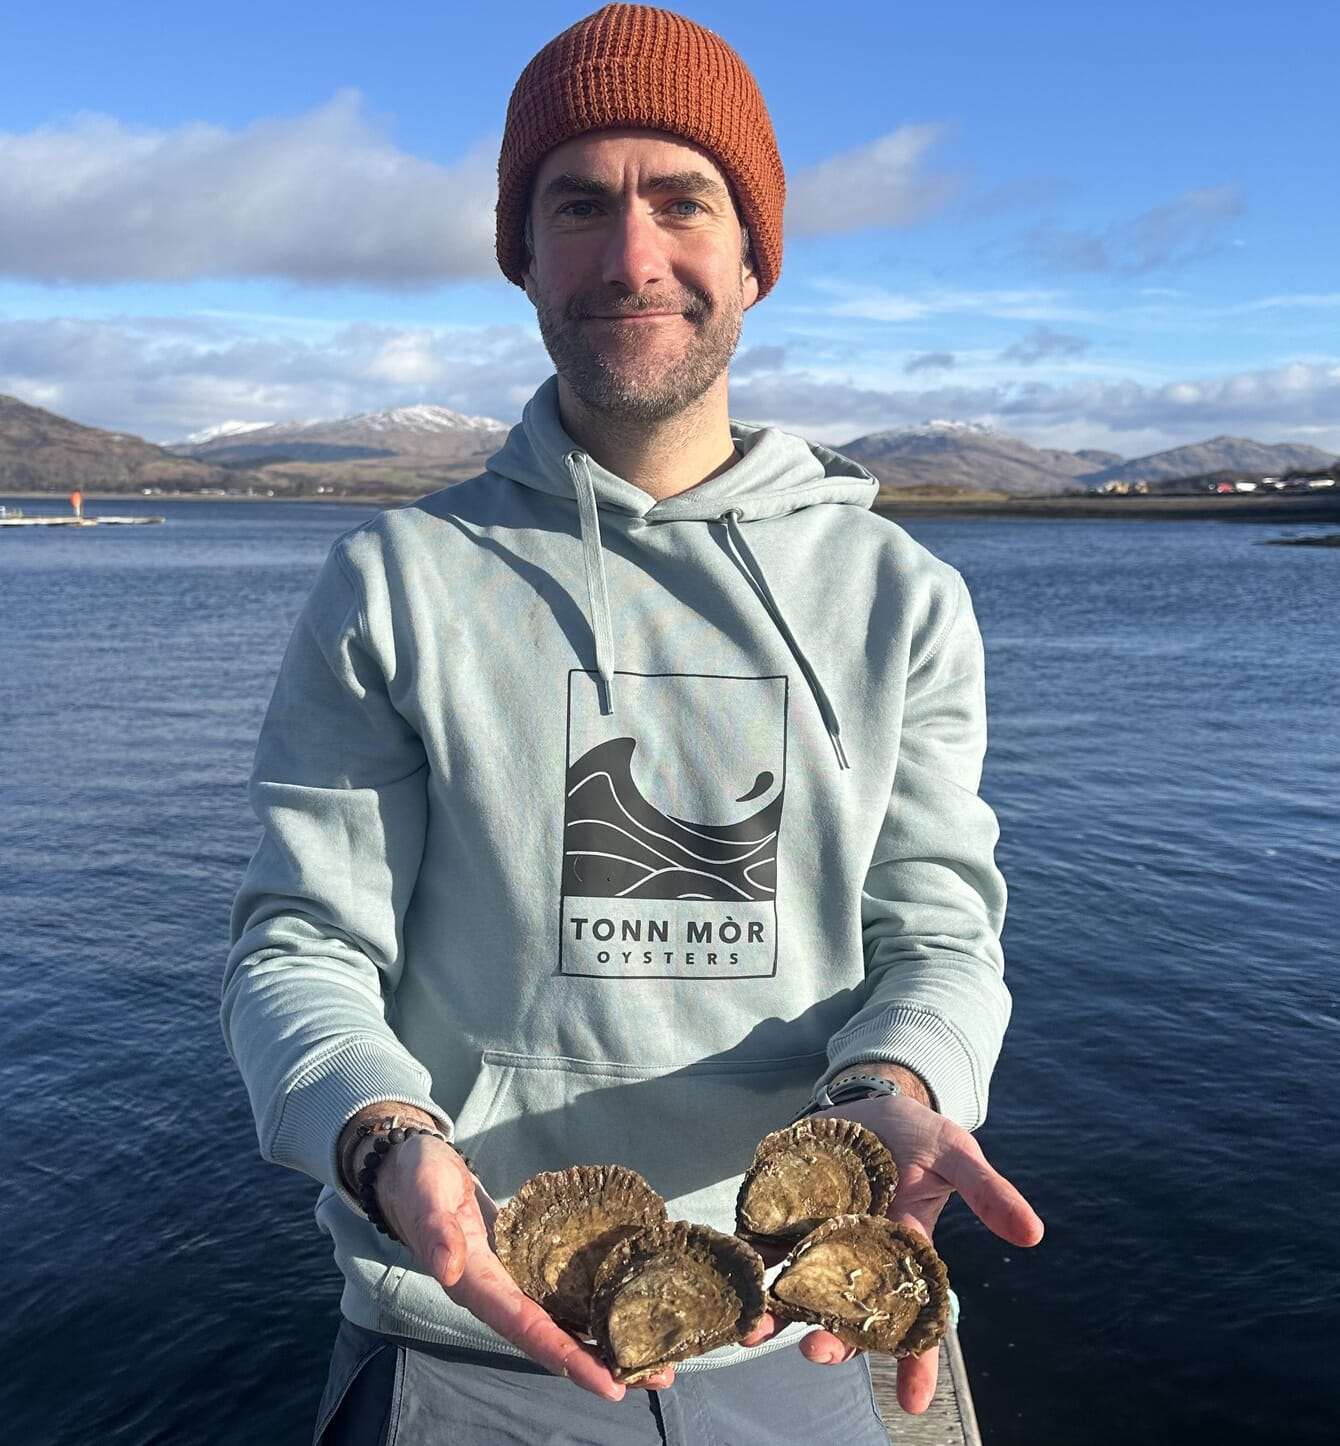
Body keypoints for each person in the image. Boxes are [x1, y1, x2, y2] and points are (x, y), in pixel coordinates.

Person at [222, 6, 1044, 1442]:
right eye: (580, 205)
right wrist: (381, 1135)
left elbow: (939, 932)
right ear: (522, 253)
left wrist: (900, 1083)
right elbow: (301, 946)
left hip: (818, 1323)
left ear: (752, 252)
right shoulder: (397, 586)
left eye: (682, 200)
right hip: (463, 1327)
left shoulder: (898, 598)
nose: (632, 254)